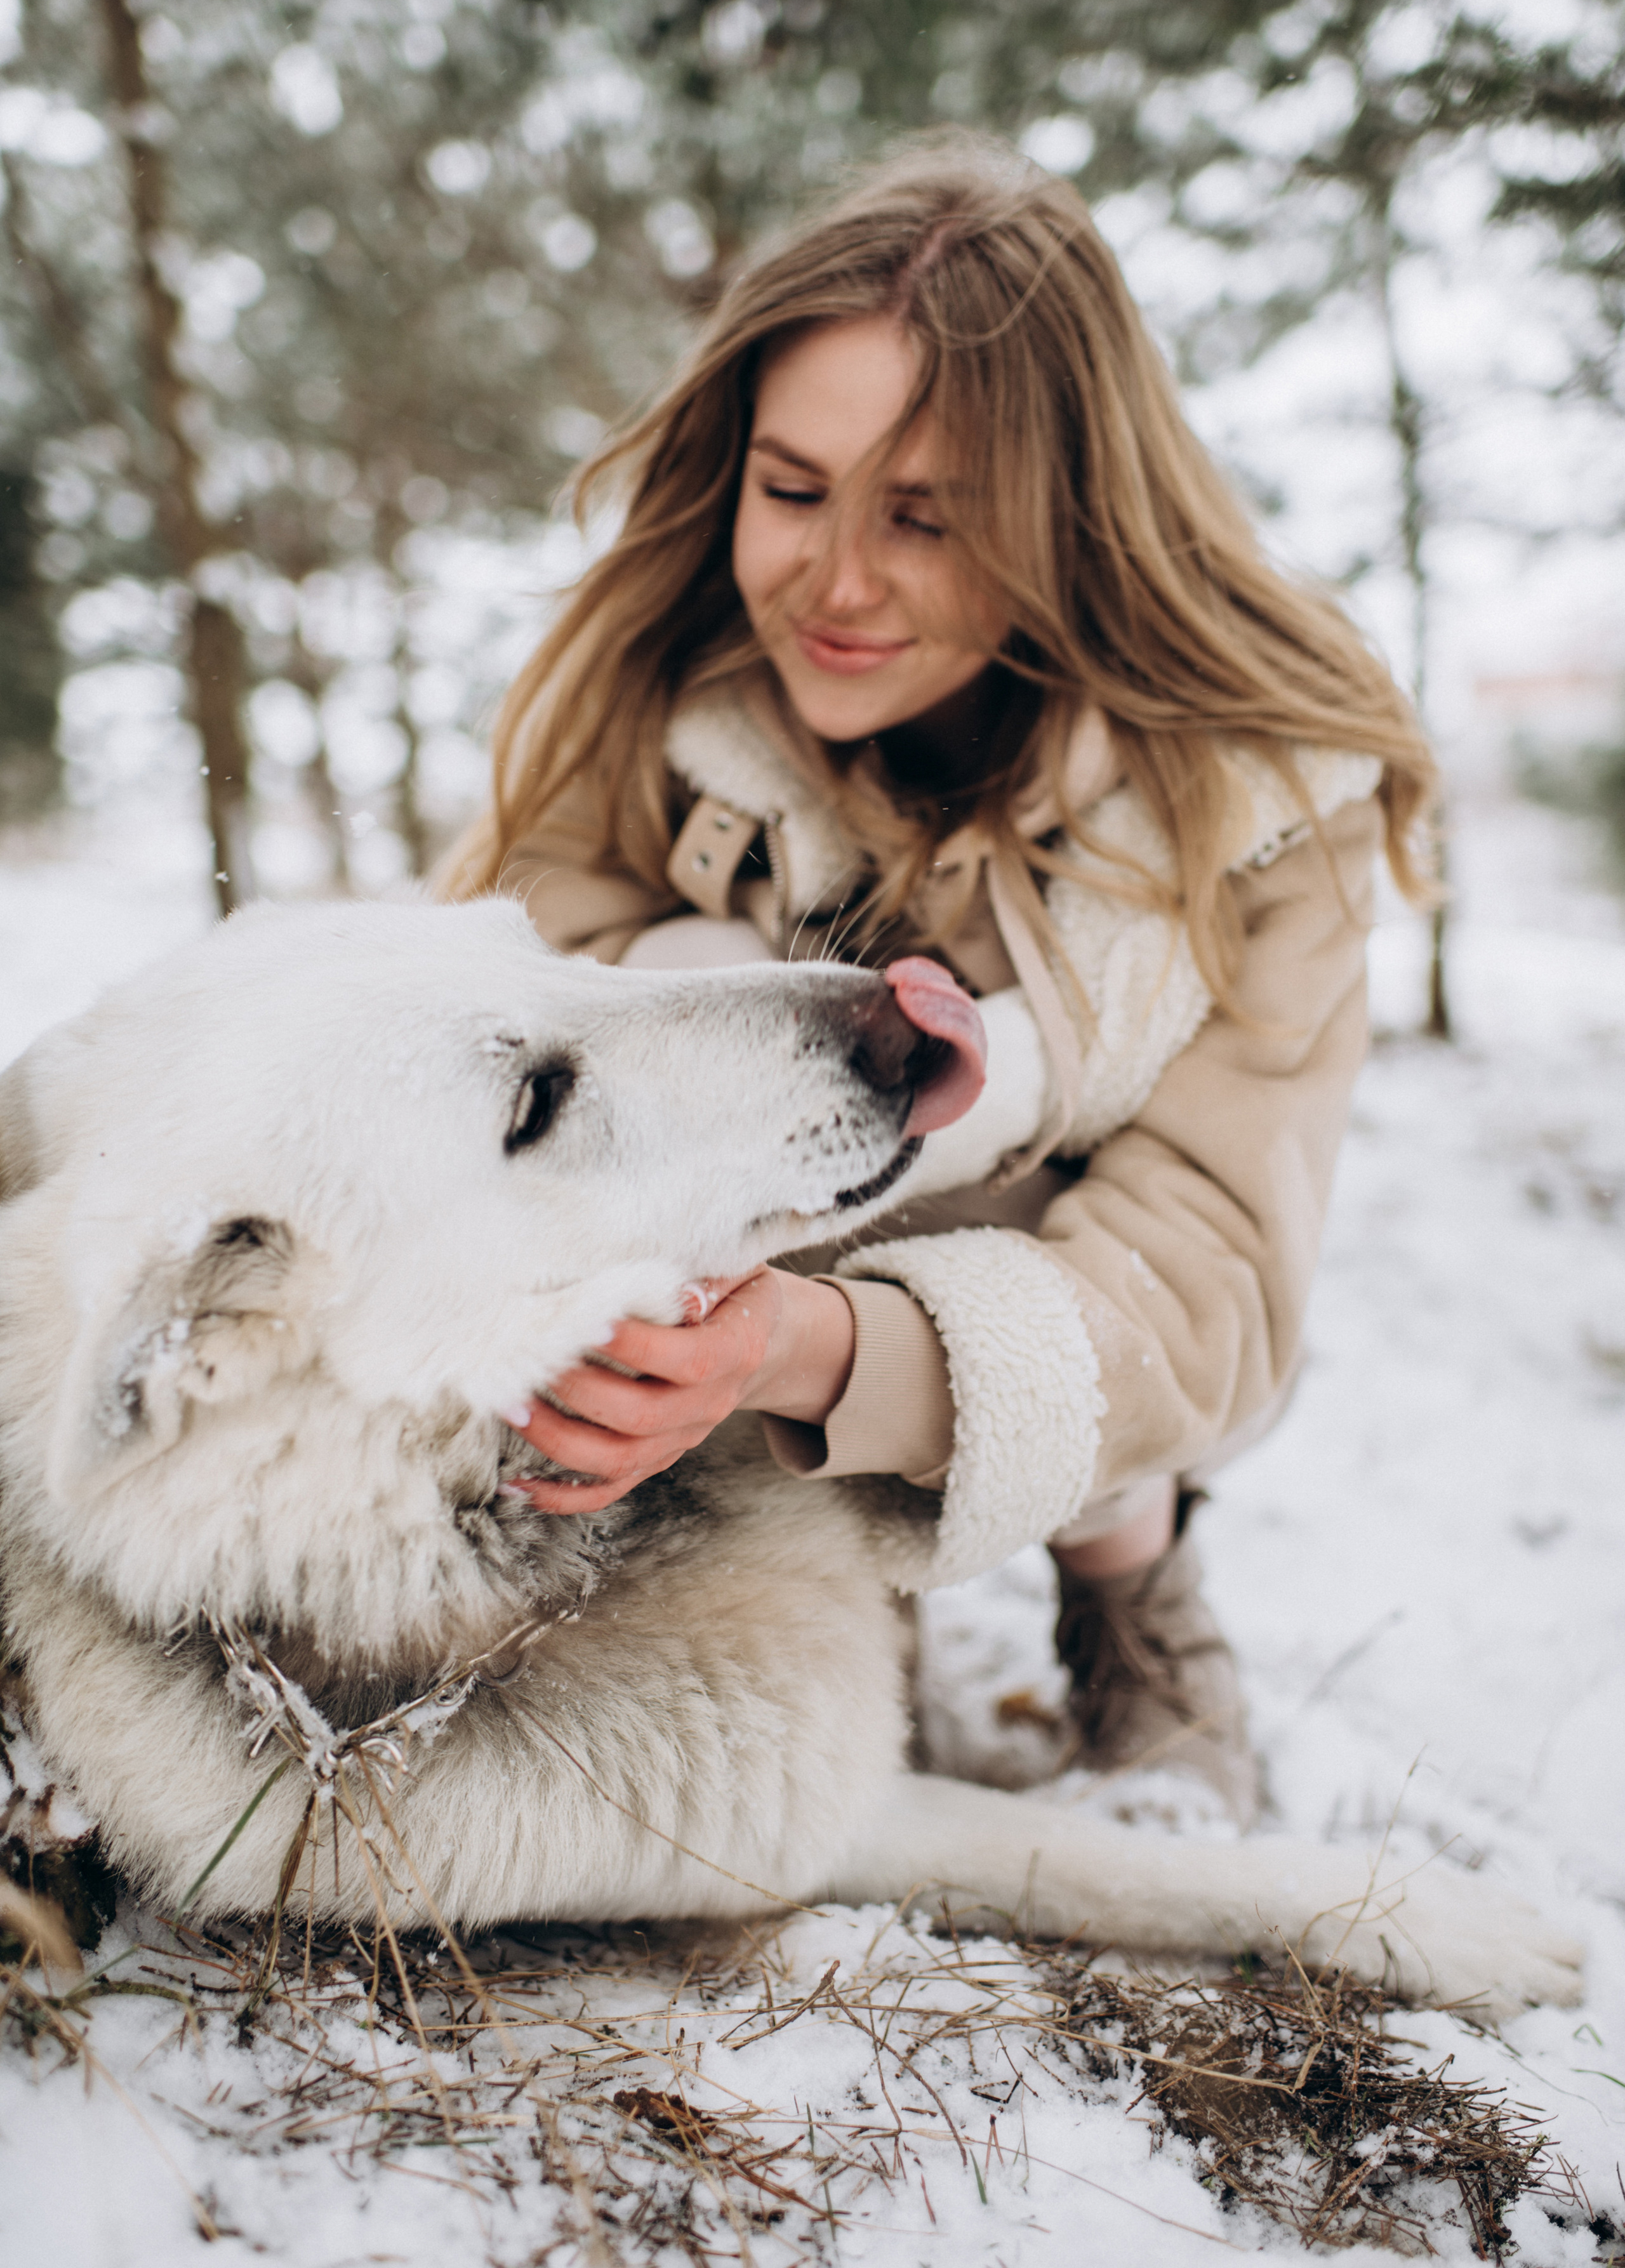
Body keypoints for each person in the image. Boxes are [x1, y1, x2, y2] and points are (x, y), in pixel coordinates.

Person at [441, 136, 1435, 1824]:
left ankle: (1135, 1597)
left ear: (1070, 514)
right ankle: (783, 1559)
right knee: (674, 1002)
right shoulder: (660, 698)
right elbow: (500, 1012)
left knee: (1071, 1248)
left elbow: (1204, 1285)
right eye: (794, 487)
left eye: (929, 517)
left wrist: (810, 1349)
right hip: (714, 1282)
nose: (835, 584)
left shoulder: (1268, 801)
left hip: (1029, 1280)